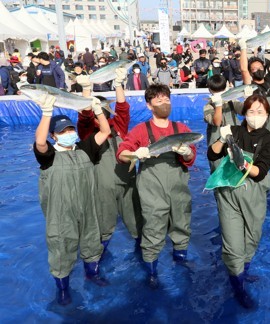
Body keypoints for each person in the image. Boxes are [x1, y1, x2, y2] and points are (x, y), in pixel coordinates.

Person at [33, 93, 110, 306]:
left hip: (87, 208)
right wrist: (47, 112)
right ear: (54, 136)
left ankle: (91, 273)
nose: (68, 133)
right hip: (61, 213)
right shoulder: (48, 155)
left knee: (92, 240)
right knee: (60, 248)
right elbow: (40, 141)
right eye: (62, 132)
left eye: (70, 129)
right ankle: (63, 288)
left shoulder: (85, 149)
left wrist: (97, 110)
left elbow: (105, 131)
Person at [117, 84, 197, 289]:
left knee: (182, 223)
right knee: (153, 228)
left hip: (179, 187)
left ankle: (181, 261)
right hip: (152, 189)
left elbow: (191, 159)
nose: (164, 103)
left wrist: (187, 153)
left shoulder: (182, 129)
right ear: (149, 105)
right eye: (159, 100)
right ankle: (152, 272)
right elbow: (122, 153)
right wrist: (137, 154)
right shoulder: (141, 130)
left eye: (167, 99)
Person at [207, 94, 270, 308]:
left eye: (260, 112)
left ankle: (243, 271)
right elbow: (211, 155)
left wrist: (244, 164)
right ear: (244, 113)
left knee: (252, 238)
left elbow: (260, 171)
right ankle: (238, 287)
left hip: (254, 194)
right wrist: (221, 139)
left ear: (267, 115)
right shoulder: (234, 131)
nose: (255, 116)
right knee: (232, 245)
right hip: (229, 194)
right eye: (251, 111)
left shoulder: (269, 140)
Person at [76, 69, 142, 254]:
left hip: (128, 183)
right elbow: (84, 117)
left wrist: (119, 85)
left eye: (104, 110)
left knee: (137, 223)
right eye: (98, 111)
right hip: (101, 187)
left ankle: (143, 255)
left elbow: (123, 108)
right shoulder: (89, 132)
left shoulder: (119, 126)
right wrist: (86, 91)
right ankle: (98, 260)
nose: (102, 114)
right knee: (104, 227)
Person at [240, 34, 270, 187]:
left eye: (260, 67)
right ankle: (255, 181)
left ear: (264, 68)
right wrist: (243, 49)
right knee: (257, 152)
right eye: (253, 69)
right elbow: (242, 69)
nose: (257, 70)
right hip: (259, 126)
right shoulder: (250, 84)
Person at [204, 75, 247, 172]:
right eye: (216, 91)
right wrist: (218, 105)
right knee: (218, 169)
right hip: (217, 142)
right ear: (210, 90)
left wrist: (247, 99)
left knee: (239, 167)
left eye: (222, 90)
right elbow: (217, 122)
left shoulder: (231, 101)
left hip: (235, 138)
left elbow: (244, 110)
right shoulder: (208, 106)